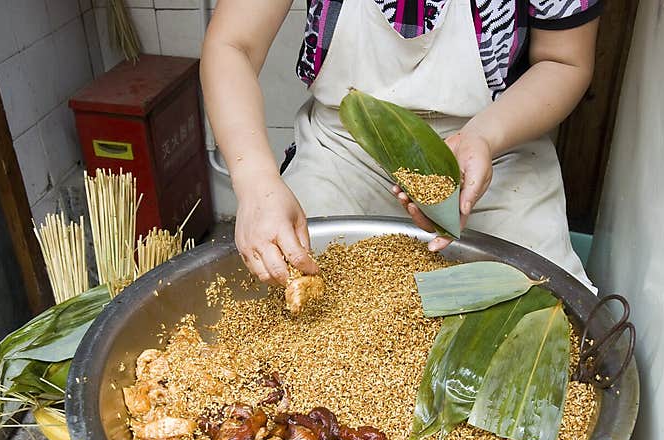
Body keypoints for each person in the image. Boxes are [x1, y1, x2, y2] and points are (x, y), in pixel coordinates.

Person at [201, 0, 601, 292]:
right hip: (344, 145)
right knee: (279, 286)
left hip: (500, 144)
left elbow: (564, 61)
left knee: (542, 297)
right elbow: (233, 45)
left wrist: (483, 136)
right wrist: (255, 180)